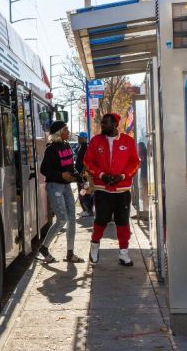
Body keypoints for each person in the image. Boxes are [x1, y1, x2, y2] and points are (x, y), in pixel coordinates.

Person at [84, 113, 140, 266]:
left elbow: (135, 162)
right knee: (101, 220)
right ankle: (94, 247)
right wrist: (101, 175)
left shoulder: (128, 141)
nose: (103, 126)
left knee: (123, 222)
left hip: (122, 190)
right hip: (103, 189)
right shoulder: (95, 141)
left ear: (115, 124)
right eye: (102, 123)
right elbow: (88, 162)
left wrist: (122, 176)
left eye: (106, 123)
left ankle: (124, 253)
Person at [38, 121, 84, 264]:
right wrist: (60, 175)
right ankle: (44, 248)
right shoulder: (51, 149)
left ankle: (70, 253)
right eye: (65, 129)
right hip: (54, 187)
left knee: (72, 218)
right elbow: (44, 170)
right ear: (58, 132)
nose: (68, 131)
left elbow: (70, 167)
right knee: (62, 219)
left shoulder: (67, 145)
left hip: (66, 187)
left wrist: (79, 177)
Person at [75, 131, 93, 218]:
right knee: (82, 192)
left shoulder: (86, 148)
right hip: (79, 175)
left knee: (85, 192)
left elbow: (87, 162)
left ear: (84, 139)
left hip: (84, 176)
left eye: (80, 137)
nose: (78, 138)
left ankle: (88, 210)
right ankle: (85, 210)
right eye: (78, 137)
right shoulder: (81, 147)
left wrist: (83, 172)